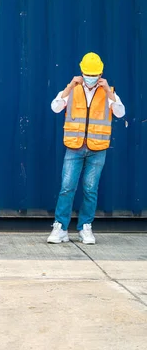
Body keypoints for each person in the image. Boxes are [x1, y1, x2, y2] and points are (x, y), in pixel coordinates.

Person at [48, 52, 125, 245]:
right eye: (88, 74)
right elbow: (55, 107)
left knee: (90, 189)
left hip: (97, 148)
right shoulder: (73, 89)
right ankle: (60, 228)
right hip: (74, 147)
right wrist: (68, 88)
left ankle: (85, 227)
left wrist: (109, 92)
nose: (91, 78)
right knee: (67, 188)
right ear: (82, 72)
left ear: (101, 74)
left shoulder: (109, 91)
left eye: (95, 74)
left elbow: (120, 112)